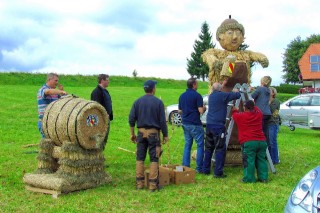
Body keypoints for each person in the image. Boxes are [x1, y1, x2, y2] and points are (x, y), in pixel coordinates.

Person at [129, 80, 168, 192]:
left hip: (140, 133)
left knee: (140, 158)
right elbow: (162, 121)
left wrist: (132, 134)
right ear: (153, 89)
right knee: (154, 159)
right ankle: (152, 186)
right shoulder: (158, 103)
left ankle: (139, 184)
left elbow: (131, 119)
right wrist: (165, 135)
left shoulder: (137, 102)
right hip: (153, 134)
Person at [203, 82, 241, 178]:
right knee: (220, 148)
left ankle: (205, 169)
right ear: (220, 89)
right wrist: (236, 91)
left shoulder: (211, 96)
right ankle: (218, 172)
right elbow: (237, 95)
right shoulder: (222, 95)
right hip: (218, 126)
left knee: (208, 147)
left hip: (209, 125)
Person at [232, 100, 268, 183]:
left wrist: (235, 109)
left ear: (245, 108)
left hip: (249, 142)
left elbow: (234, 115)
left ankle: (249, 178)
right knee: (261, 160)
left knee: (249, 161)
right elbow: (257, 108)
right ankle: (263, 178)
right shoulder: (259, 114)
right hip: (261, 141)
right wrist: (252, 103)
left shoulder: (241, 116)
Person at [178, 78, 206, 173]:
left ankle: (186, 166)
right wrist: (205, 108)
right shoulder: (197, 96)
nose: (197, 85)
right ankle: (199, 168)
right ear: (193, 84)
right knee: (200, 145)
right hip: (195, 124)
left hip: (185, 123)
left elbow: (180, 111)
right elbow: (201, 111)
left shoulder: (182, 96)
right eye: (197, 83)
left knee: (187, 145)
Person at [37, 73, 67, 137]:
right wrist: (60, 92)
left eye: (57, 81)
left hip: (53, 122)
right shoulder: (42, 89)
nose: (57, 83)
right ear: (49, 79)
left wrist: (61, 92)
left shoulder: (55, 93)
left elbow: (62, 102)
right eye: (55, 80)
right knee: (47, 143)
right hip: (45, 122)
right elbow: (47, 92)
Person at [91, 74, 113, 151]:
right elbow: (96, 107)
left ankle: (99, 158)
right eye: (107, 80)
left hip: (106, 119)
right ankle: (96, 158)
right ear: (102, 80)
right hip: (101, 120)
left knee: (104, 139)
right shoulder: (96, 92)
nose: (109, 81)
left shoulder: (105, 91)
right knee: (99, 140)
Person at [250, 76, 272, 140]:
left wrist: (249, 90)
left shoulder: (260, 89)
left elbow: (252, 97)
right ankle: (266, 145)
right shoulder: (268, 90)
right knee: (264, 131)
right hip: (267, 113)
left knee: (258, 131)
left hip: (260, 112)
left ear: (262, 81)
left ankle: (259, 144)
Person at [268, 87, 281, 164]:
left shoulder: (276, 101)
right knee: (268, 142)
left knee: (272, 142)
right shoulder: (266, 100)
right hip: (267, 123)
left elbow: (271, 110)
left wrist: (267, 103)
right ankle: (269, 158)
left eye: (269, 91)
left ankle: (275, 159)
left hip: (273, 124)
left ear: (273, 93)